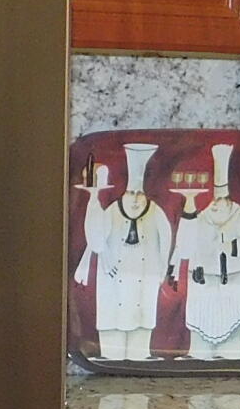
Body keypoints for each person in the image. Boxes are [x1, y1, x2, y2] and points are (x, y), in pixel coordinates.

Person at [71, 142, 172, 360]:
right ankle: (111, 357)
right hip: (113, 284)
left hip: (144, 282)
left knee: (140, 329)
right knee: (113, 332)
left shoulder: (156, 213)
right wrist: (93, 198)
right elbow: (95, 239)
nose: (135, 199)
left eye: (139, 194)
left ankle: (139, 358)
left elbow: (166, 242)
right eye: (131, 193)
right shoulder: (110, 212)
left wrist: (162, 269)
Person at [172, 140, 240, 361]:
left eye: (222, 199)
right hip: (203, 291)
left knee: (231, 345)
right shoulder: (201, 217)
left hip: (233, 289)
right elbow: (185, 247)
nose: (217, 204)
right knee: (201, 344)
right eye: (215, 199)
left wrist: (229, 246)